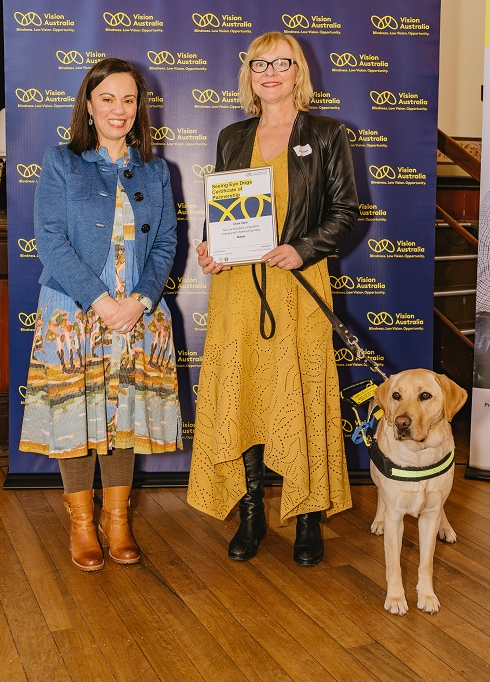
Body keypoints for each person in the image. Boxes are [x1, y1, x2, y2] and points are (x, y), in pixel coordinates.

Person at [187, 32, 359, 566]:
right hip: (238, 290)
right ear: (249, 74)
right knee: (246, 395)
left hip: (299, 286)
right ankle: (253, 512)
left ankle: (307, 516)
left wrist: (303, 249)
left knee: (300, 394)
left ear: (297, 72)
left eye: (281, 62)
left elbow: (345, 211)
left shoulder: (328, 135)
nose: (269, 71)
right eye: (259, 63)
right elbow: (226, 215)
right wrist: (211, 250)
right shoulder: (232, 136)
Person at [20, 58, 182, 571]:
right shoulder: (60, 161)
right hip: (74, 310)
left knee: (123, 416)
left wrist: (138, 301)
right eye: (107, 98)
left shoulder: (156, 170)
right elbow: (50, 239)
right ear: (88, 105)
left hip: (137, 312)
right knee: (76, 413)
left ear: (140, 108)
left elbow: (167, 246)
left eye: (129, 100)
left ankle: (118, 520)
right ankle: (82, 523)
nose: (119, 109)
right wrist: (100, 301)